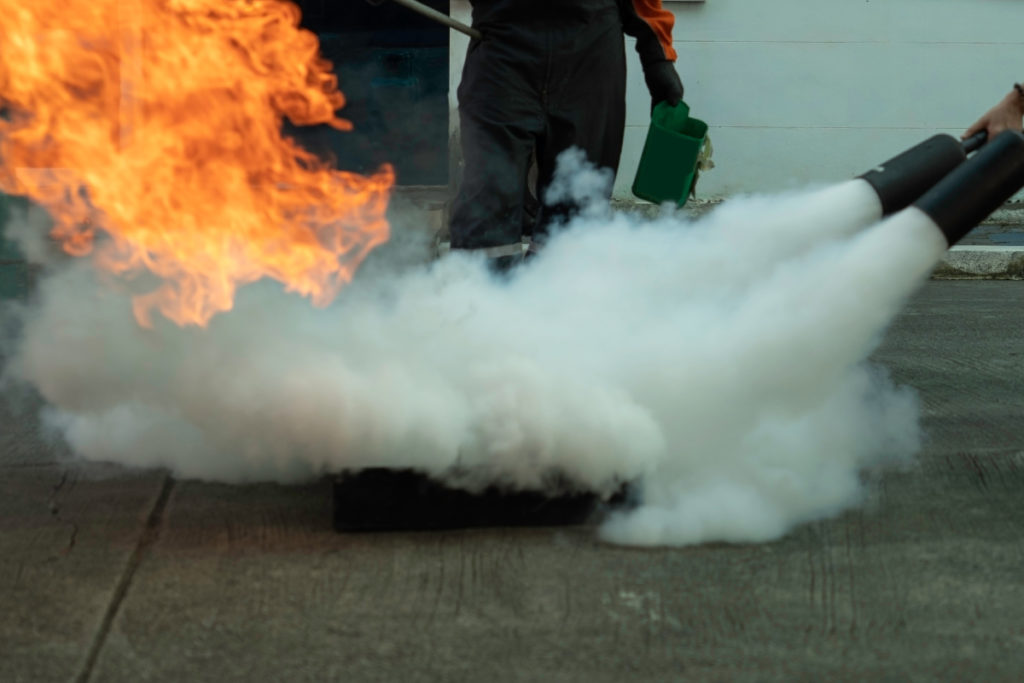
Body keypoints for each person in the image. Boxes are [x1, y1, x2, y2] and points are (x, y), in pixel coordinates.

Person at [448, 0, 684, 268]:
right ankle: (477, 298)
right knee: (488, 190)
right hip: (503, 47)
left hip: (590, 49)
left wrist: (657, 56)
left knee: (580, 194)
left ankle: (562, 298)